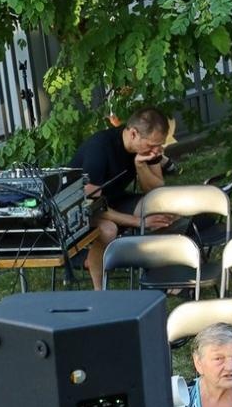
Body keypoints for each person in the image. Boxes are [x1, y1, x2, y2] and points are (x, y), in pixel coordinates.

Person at [70, 106, 174, 289]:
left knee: (163, 208)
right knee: (108, 230)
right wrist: (138, 221)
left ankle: (162, 274)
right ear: (133, 134)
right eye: (152, 145)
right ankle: (100, 292)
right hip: (80, 208)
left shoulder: (148, 148)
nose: (157, 150)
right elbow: (91, 204)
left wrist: (141, 166)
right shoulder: (100, 148)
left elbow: (157, 189)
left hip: (114, 199)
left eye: (160, 145)